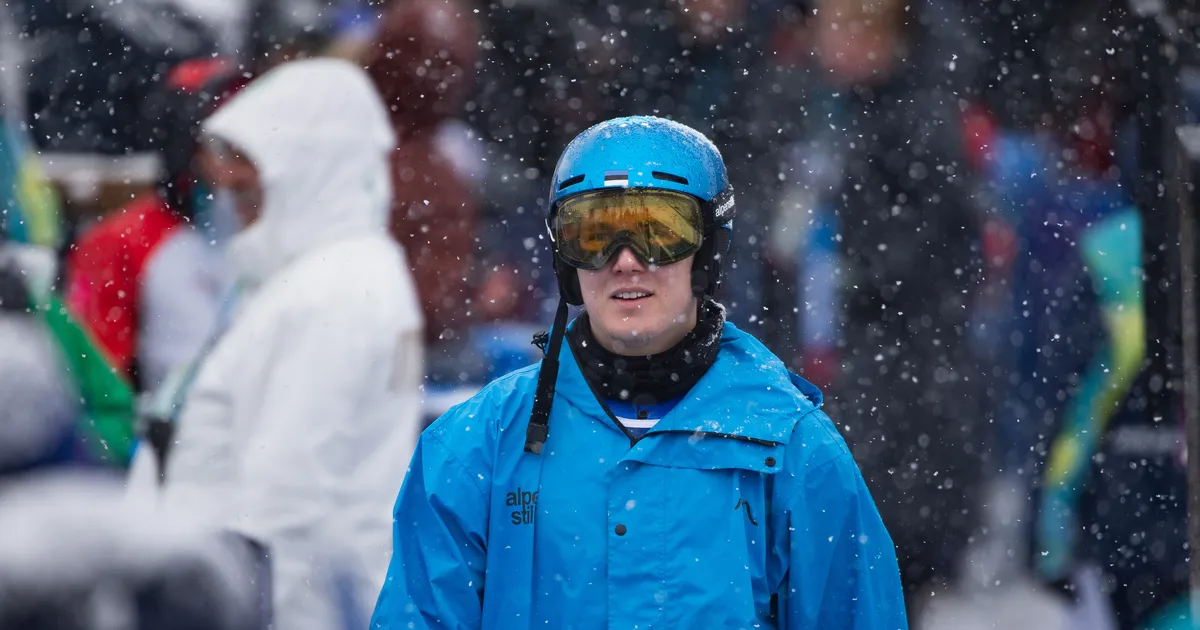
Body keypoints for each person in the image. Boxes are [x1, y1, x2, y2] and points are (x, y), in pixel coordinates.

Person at [370, 115, 907, 629]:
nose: (626, 260)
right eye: (593, 233)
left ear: (708, 253)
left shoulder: (795, 452)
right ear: (564, 261)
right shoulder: (473, 450)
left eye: (661, 229)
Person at [159, 58, 425, 630]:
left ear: (308, 171)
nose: (232, 200)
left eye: (248, 180)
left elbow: (287, 510)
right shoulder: (333, 277)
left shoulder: (332, 294)